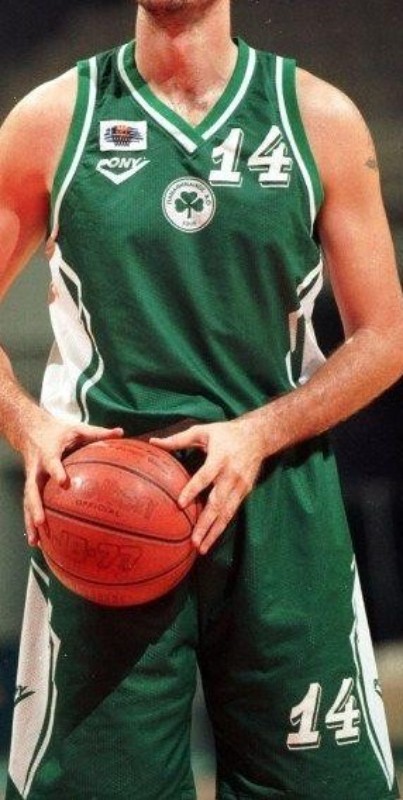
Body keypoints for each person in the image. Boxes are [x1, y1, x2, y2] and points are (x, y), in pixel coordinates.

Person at [1, 0, 402, 797]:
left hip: (279, 502)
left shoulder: (316, 117)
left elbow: (384, 338)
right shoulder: (51, 119)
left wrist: (257, 433)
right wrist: (27, 424)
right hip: (104, 505)